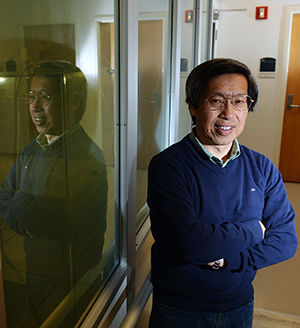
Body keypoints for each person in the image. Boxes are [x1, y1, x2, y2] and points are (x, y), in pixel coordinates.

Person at [147, 58, 297, 328]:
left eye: (240, 101)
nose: (229, 113)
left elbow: (285, 242)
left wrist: (229, 259)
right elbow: (192, 245)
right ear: (193, 106)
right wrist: (254, 230)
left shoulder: (261, 167)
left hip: (238, 303)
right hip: (180, 307)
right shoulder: (168, 166)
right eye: (216, 101)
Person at [0, 61, 107, 327]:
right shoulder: (31, 150)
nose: (35, 107)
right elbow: (4, 198)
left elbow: (52, 221)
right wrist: (25, 209)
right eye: (31, 97)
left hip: (70, 279)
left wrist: (22, 207)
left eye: (45, 97)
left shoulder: (85, 156)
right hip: (34, 268)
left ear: (72, 101)